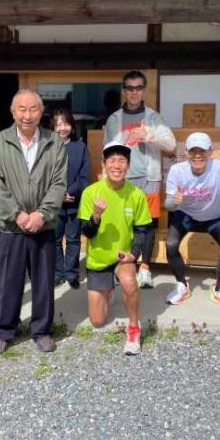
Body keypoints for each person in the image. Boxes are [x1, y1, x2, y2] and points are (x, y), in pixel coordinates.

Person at [0, 89, 67, 355]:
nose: (27, 115)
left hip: (43, 226)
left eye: (33, 109)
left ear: (41, 112)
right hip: (11, 227)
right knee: (7, 283)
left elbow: (58, 183)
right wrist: (17, 215)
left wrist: (41, 214)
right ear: (13, 112)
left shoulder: (54, 143)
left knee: (43, 284)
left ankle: (41, 330)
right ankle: (2, 330)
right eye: (21, 109)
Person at [104, 70, 175, 288]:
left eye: (138, 88)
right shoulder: (114, 119)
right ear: (124, 91)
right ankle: (125, 267)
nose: (134, 92)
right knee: (122, 223)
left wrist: (149, 135)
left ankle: (144, 268)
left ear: (143, 90)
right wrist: (106, 179)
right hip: (121, 178)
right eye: (130, 88)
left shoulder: (153, 118)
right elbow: (106, 151)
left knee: (147, 224)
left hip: (149, 178)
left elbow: (171, 145)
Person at [78, 141, 151, 355]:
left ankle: (134, 329)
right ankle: (108, 290)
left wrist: (133, 254)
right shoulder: (90, 192)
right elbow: (87, 233)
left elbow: (143, 230)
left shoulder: (136, 194)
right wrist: (96, 216)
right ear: (103, 164)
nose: (117, 165)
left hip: (122, 257)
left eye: (122, 161)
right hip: (98, 260)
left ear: (128, 166)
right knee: (97, 321)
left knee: (129, 281)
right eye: (112, 160)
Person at [163, 132, 220, 311]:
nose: (197, 155)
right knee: (171, 244)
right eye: (193, 151)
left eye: (202, 151)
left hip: (215, 216)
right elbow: (168, 205)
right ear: (186, 152)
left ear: (210, 151)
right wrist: (174, 201)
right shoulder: (177, 170)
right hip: (186, 215)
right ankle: (181, 284)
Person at [52, 107, 90, 289]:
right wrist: (59, 194)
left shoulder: (80, 147)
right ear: (53, 127)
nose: (62, 128)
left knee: (74, 239)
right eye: (58, 124)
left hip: (74, 200)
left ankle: (72, 274)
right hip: (54, 202)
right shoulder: (47, 147)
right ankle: (58, 273)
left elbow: (84, 175)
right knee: (55, 239)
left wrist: (71, 192)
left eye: (66, 124)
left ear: (72, 126)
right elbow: (42, 176)